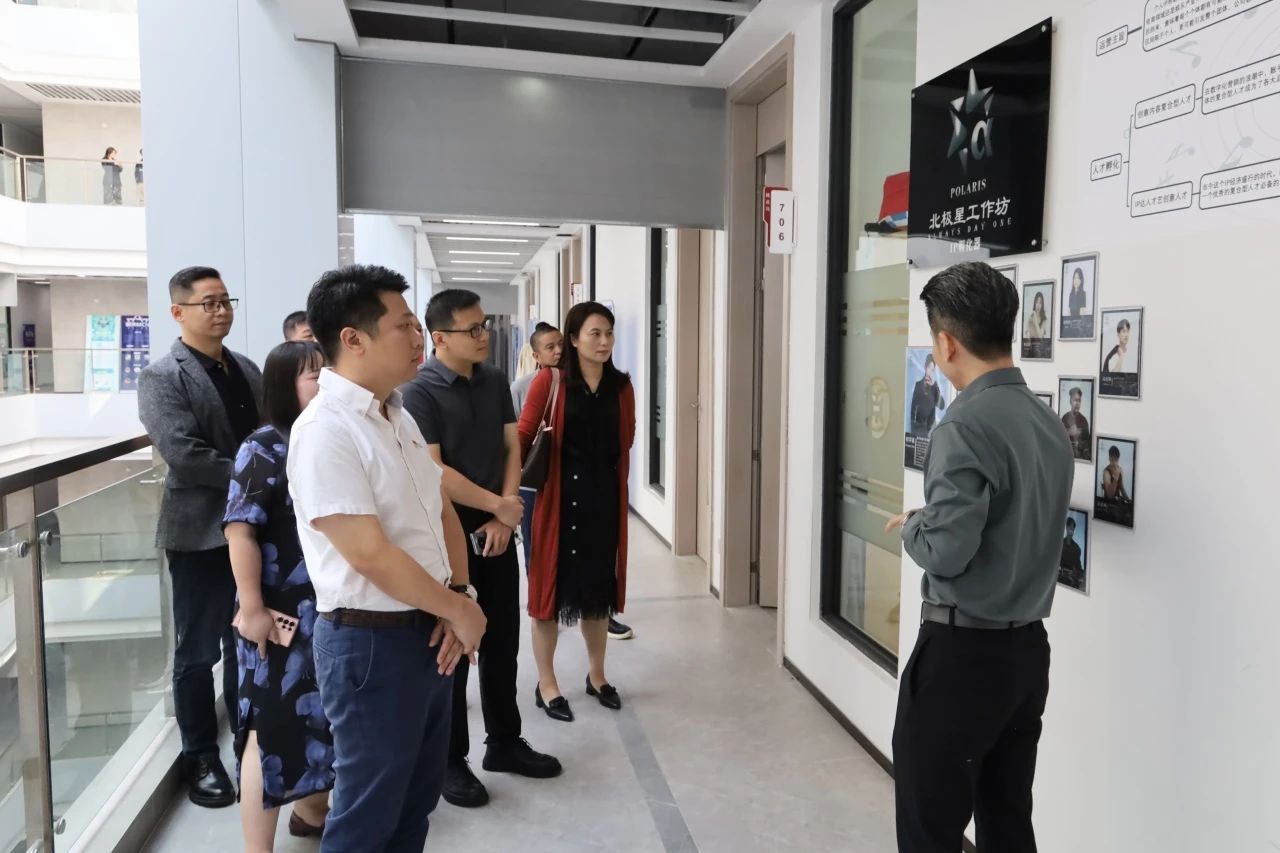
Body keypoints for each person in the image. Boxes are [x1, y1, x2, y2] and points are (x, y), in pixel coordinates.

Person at [288, 265, 486, 852]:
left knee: (414, 804)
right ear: (353, 338)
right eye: (403, 325)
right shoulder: (325, 430)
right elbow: (369, 554)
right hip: (371, 644)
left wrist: (459, 598)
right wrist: (458, 609)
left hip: (428, 630)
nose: (418, 336)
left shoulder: (397, 414)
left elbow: (440, 510)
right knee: (367, 816)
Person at [884, 261, 1073, 853]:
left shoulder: (963, 425)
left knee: (929, 830)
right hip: (1026, 654)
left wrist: (914, 526)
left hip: (961, 656)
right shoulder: (1047, 421)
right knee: (1007, 820)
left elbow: (947, 552)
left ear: (946, 343)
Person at [401, 290, 561, 810]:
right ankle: (450, 759)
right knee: (453, 647)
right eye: (471, 329)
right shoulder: (418, 391)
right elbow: (434, 470)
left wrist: (505, 511)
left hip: (498, 525)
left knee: (502, 640)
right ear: (440, 337)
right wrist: (497, 505)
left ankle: (505, 743)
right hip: (449, 535)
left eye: (483, 325)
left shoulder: (493, 380)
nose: (482, 335)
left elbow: (512, 445)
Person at [138, 266, 262, 808]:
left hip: (252, 527)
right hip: (199, 532)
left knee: (245, 641)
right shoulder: (163, 376)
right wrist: (257, 476)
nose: (221, 311)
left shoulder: (247, 368)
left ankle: (247, 745)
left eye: (225, 301)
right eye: (208, 303)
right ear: (178, 312)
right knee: (195, 652)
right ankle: (200, 757)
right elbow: (184, 454)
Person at [224, 340, 333, 850]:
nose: (325, 383)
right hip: (275, 610)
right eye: (314, 375)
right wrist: (251, 608)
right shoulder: (263, 446)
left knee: (319, 715)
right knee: (264, 729)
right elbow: (240, 531)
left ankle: (311, 813)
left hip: (326, 607)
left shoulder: (325, 437)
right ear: (284, 385)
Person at [518, 301, 636, 723]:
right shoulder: (549, 381)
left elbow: (627, 438)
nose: (604, 342)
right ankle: (546, 683)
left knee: (597, 597)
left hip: (602, 505)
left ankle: (597, 675)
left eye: (609, 333)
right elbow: (522, 437)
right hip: (556, 506)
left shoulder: (621, 387)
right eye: (595, 334)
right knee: (547, 599)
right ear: (573, 338)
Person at [908, 354, 945, 437]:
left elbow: (942, 406)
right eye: (929, 368)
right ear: (925, 367)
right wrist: (913, 431)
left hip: (931, 431)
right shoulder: (917, 385)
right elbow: (912, 411)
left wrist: (934, 386)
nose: (930, 372)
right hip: (919, 431)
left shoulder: (934, 387)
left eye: (932, 370)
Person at [1061, 386, 1091, 460]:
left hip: (1081, 460)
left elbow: (1088, 445)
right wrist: (1069, 432)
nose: (1077, 403)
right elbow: (1059, 439)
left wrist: (1079, 443)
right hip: (1066, 458)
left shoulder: (1084, 421)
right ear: (1070, 401)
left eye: (1079, 401)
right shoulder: (1064, 418)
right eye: (1075, 400)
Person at [1059, 517, 1083, 588]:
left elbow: (1078, 568)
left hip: (1071, 581)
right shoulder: (1059, 544)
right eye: (1070, 528)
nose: (1071, 531)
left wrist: (1077, 575)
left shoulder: (1077, 548)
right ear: (1066, 527)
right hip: (1058, 578)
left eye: (1073, 529)